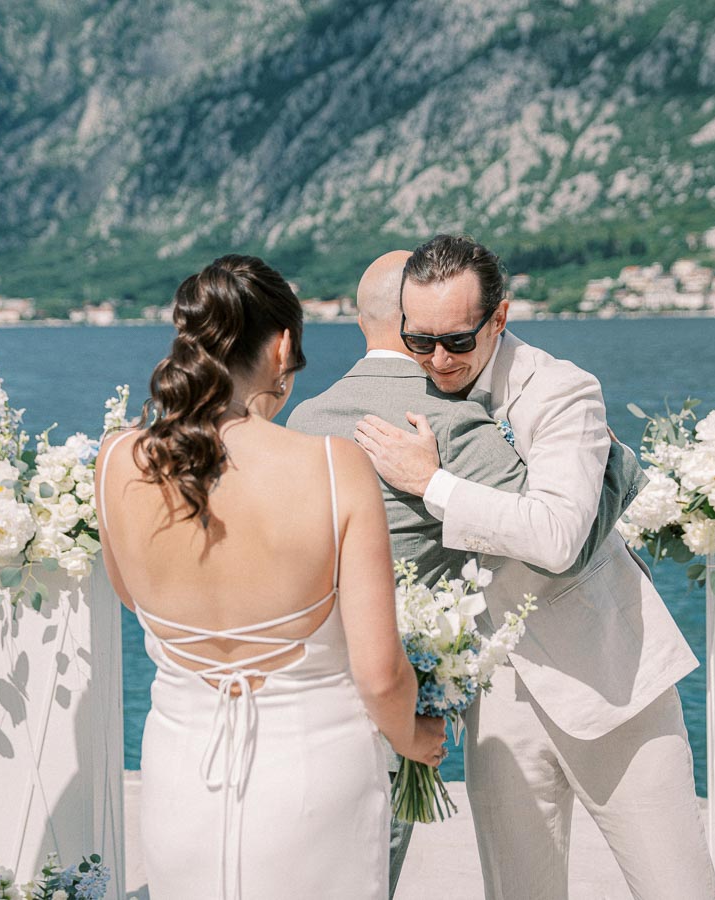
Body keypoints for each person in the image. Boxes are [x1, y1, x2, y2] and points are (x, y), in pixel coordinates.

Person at [355, 234, 715, 900]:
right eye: (419, 339)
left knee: (678, 889)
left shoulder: (561, 391)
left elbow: (556, 535)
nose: (437, 360)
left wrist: (430, 483)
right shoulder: (411, 389)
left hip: (608, 685)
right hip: (493, 699)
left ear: (499, 317)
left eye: (458, 341)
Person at [286, 250, 645, 896]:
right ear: (407, 321)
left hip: (311, 698)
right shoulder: (451, 422)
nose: (441, 353)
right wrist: (619, 470)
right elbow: (559, 539)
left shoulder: (304, 421)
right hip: (398, 693)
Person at [93, 255, 444, 900]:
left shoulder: (117, 458)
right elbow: (380, 672)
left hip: (181, 778)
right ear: (283, 346)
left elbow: (130, 597)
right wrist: (414, 737)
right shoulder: (335, 467)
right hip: (313, 782)